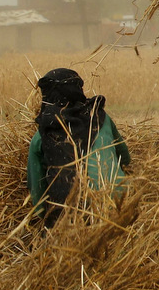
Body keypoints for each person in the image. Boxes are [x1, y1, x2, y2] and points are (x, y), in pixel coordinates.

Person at [28, 68, 131, 227]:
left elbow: (37, 191)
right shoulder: (100, 116)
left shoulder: (43, 133)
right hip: (119, 202)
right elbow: (125, 158)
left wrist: (44, 217)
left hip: (72, 214)